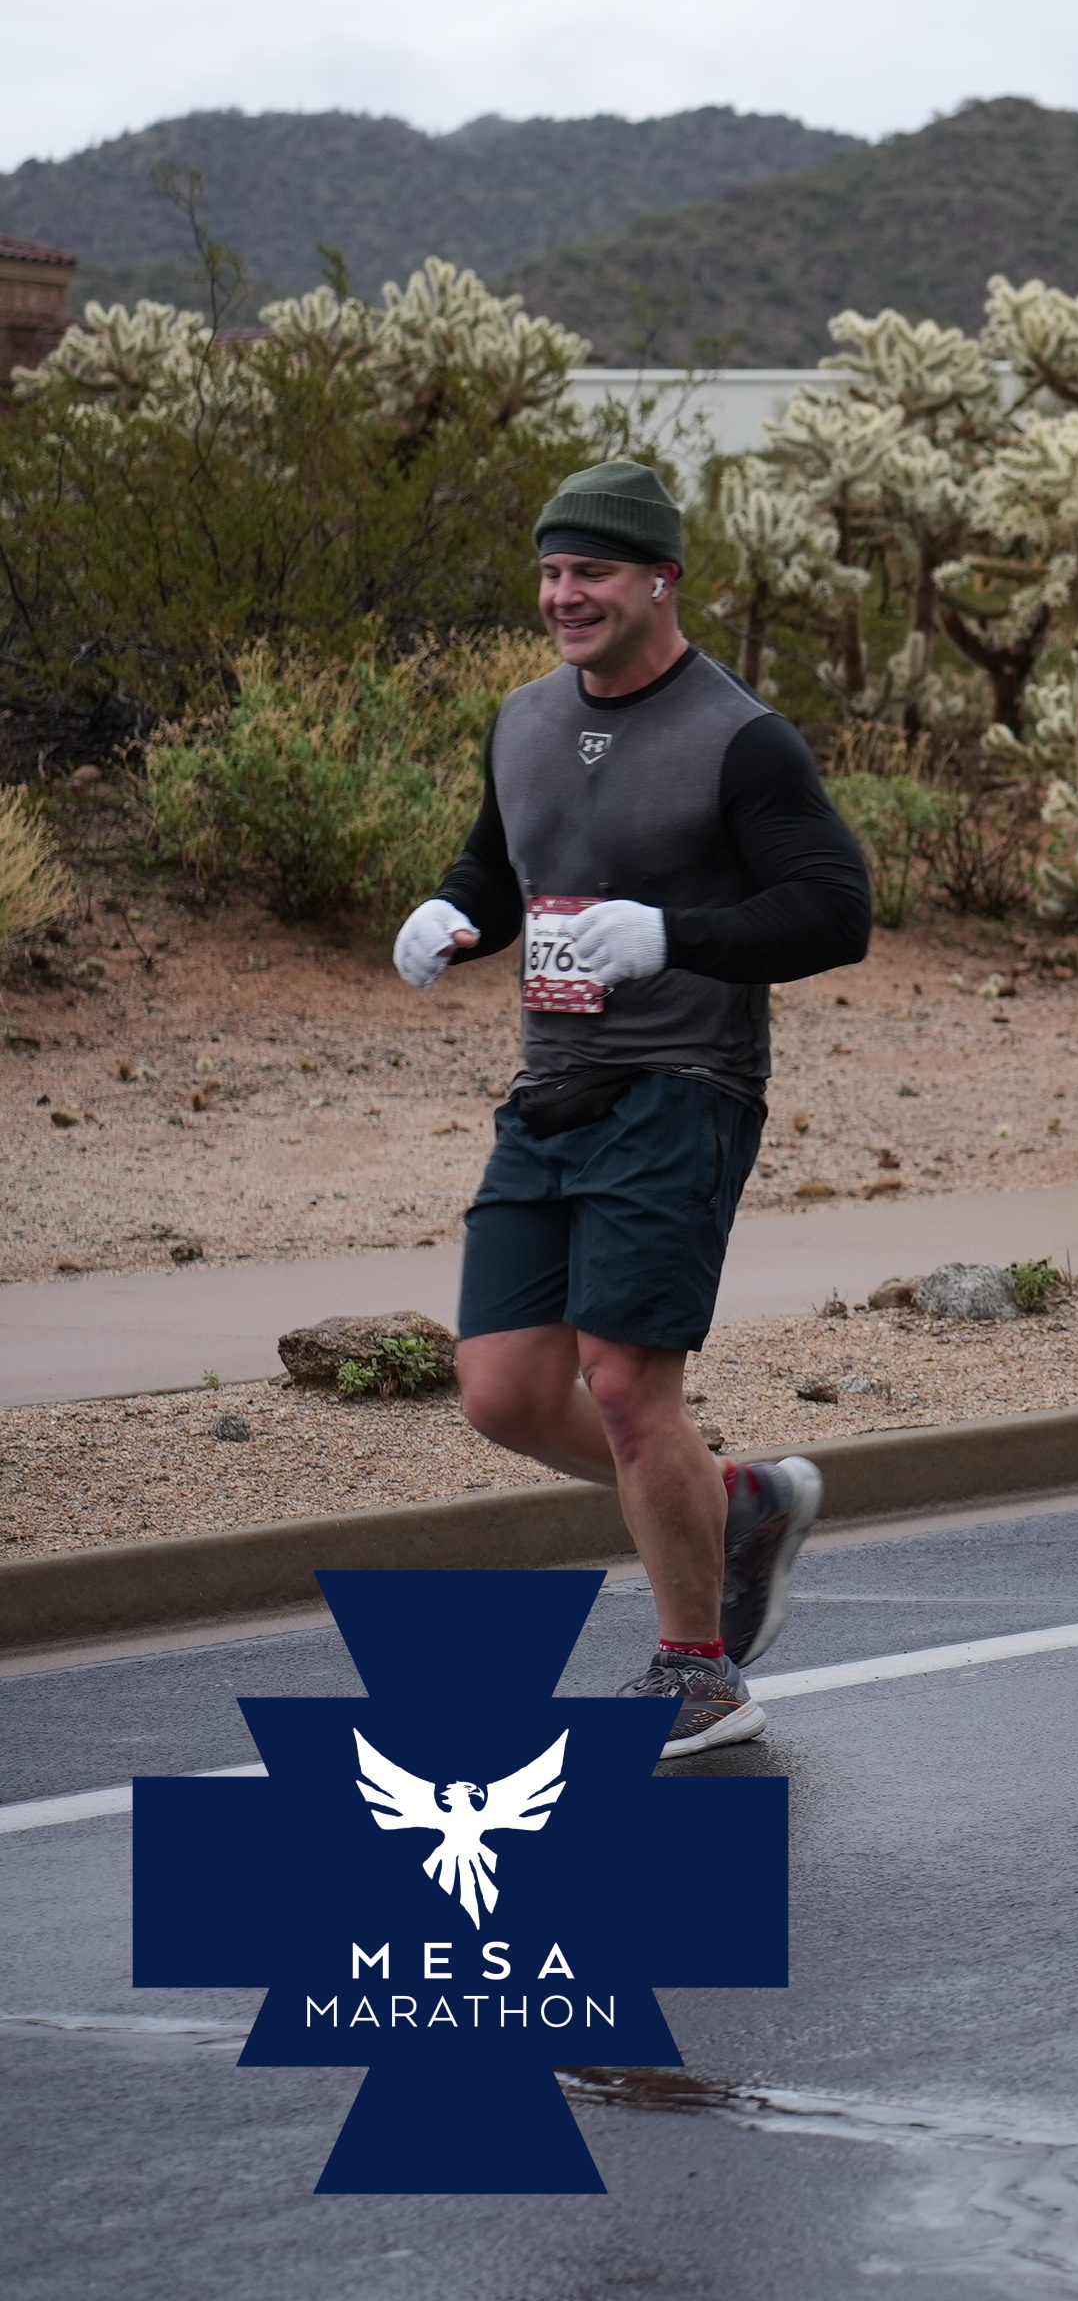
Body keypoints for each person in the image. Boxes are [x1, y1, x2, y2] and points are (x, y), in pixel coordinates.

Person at [394, 461, 870, 1756]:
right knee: (502, 1390)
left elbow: (835, 911)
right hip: (550, 1090)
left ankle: (700, 1673)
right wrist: (454, 914)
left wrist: (673, 935)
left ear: (660, 579)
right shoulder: (524, 721)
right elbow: (501, 865)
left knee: (621, 1382)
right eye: (553, 572)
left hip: (684, 1086)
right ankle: (738, 1503)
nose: (566, 595)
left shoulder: (740, 737)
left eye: (592, 572)